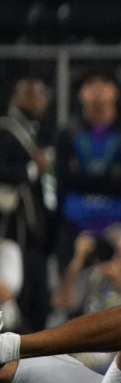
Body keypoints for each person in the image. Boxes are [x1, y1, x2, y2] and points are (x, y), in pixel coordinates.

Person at [55, 69, 121, 271]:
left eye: (104, 81)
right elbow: (64, 178)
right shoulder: (67, 133)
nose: (97, 88)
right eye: (90, 83)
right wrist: (110, 177)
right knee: (71, 283)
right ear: (80, 93)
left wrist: (82, 177)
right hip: (75, 224)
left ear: (115, 91)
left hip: (120, 221)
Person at [0, 76, 53, 332]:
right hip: (13, 227)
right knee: (17, 293)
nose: (37, 102)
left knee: (37, 297)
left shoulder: (37, 130)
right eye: (30, 95)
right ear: (15, 98)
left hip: (35, 230)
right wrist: (33, 168)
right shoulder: (6, 130)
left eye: (40, 95)